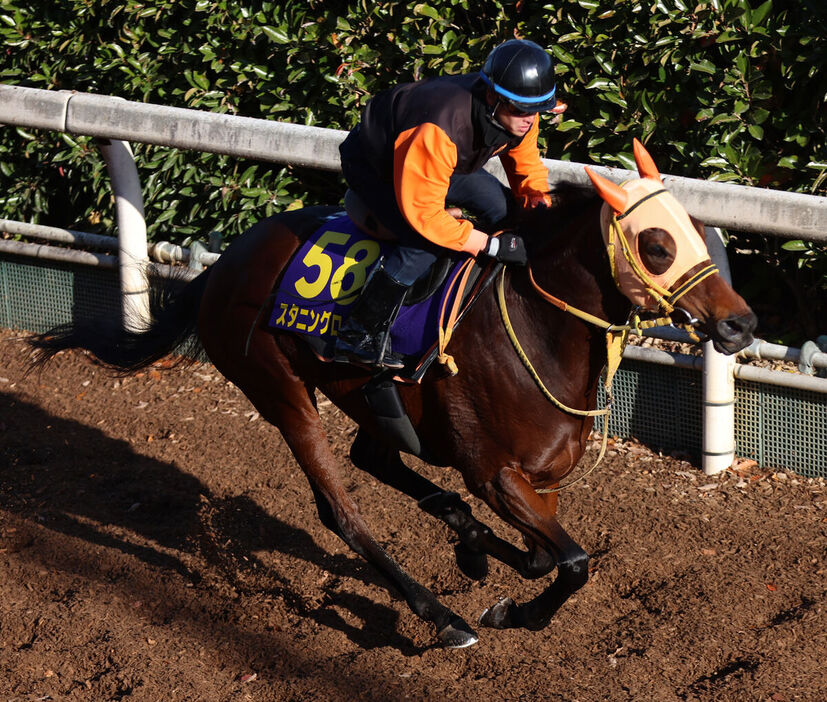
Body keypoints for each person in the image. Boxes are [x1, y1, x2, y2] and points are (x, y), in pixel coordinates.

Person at [335, 38, 565, 369]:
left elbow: (526, 167)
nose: (529, 120)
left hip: (444, 163)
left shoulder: (520, 109)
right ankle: (357, 334)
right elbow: (426, 216)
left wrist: (539, 206)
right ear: (492, 98)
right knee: (423, 243)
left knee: (507, 212)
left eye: (537, 111)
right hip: (379, 168)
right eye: (520, 111)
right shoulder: (438, 130)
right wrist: (491, 246)